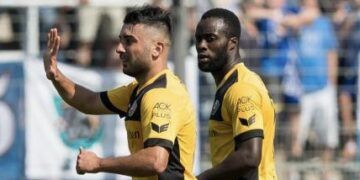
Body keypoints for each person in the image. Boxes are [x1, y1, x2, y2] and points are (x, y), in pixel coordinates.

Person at [43, 6, 196, 180]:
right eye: (120, 40)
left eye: (129, 41)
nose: (119, 49)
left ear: (157, 49)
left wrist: (98, 163)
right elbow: (88, 101)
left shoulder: (161, 95)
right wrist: (55, 75)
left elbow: (156, 161)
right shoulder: (138, 89)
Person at [195, 8, 277, 180]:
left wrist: (201, 179)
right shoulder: (229, 84)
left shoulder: (241, 89)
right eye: (199, 39)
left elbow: (249, 157)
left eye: (210, 39)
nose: (202, 46)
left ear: (232, 43)